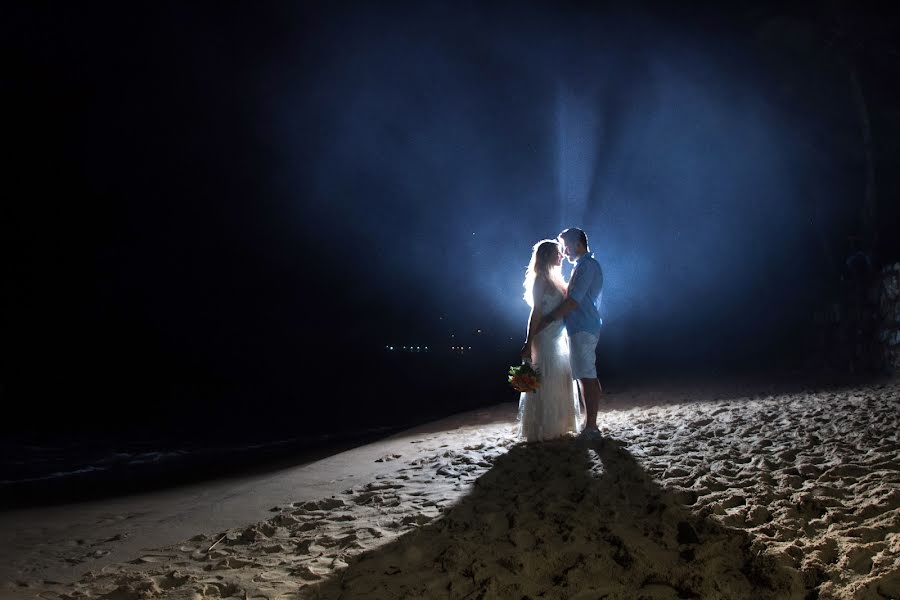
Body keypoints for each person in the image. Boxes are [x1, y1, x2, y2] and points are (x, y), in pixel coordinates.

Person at [532, 227, 604, 439]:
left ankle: (591, 427)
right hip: (578, 327)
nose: (564, 252)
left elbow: (573, 301)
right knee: (585, 374)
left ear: (578, 244)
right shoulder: (582, 266)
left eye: (566, 246)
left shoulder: (587, 266)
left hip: (583, 327)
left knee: (587, 375)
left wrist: (548, 319)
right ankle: (589, 423)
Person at [516, 239, 582, 442]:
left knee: (560, 376)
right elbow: (535, 313)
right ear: (546, 256)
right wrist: (528, 342)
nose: (561, 256)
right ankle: (545, 427)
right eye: (557, 253)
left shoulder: (556, 278)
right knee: (547, 378)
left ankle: (561, 423)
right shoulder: (540, 280)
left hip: (558, 335)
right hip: (544, 336)